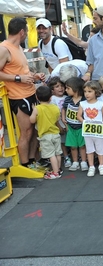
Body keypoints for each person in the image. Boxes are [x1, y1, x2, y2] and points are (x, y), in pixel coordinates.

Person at [0, 18, 46, 168]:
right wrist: (18, 78)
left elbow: (22, 70)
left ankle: (33, 160)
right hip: (18, 96)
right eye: (26, 32)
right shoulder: (4, 49)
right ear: (22, 32)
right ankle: (25, 164)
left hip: (31, 92)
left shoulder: (19, 48)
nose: (27, 35)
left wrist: (35, 75)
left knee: (33, 130)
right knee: (26, 132)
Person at [29, 86, 63, 179]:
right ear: (51, 97)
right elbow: (58, 118)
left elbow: (32, 120)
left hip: (45, 135)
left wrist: (33, 110)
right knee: (57, 153)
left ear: (37, 97)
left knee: (51, 155)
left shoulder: (38, 108)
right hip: (55, 133)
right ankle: (59, 169)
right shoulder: (55, 107)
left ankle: (55, 173)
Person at [77, 81, 103, 177]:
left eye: (89, 91)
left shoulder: (101, 104)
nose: (87, 94)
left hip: (98, 131)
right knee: (89, 149)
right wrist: (85, 122)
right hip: (88, 131)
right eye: (85, 91)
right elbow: (78, 116)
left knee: (100, 148)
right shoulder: (82, 104)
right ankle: (91, 166)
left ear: (96, 92)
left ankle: (101, 165)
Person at [61, 77, 88, 172]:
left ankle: (84, 161)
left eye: (68, 88)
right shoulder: (68, 99)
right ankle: (75, 162)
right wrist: (63, 118)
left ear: (75, 89)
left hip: (81, 127)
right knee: (73, 146)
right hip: (70, 126)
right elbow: (64, 108)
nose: (66, 90)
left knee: (82, 145)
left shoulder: (84, 100)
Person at [48, 77, 70, 167]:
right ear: (52, 90)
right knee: (63, 142)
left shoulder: (67, 97)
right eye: (57, 86)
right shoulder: (52, 99)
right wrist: (58, 125)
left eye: (62, 86)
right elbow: (54, 114)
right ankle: (66, 157)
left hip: (69, 121)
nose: (60, 88)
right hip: (60, 122)